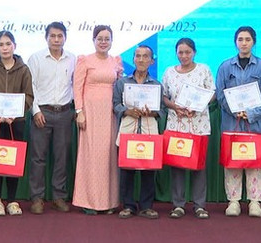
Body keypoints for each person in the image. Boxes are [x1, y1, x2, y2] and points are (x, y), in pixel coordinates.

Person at [215, 26, 261, 218]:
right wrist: (235, 110)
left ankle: (255, 202)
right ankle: (233, 202)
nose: (244, 43)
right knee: (233, 163)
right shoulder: (225, 66)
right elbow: (220, 93)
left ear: (253, 42)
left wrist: (250, 112)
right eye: (240, 39)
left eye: (247, 39)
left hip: (255, 124)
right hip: (232, 124)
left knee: (255, 163)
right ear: (235, 42)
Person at [0, 31, 34, 216]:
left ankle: (11, 200)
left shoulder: (24, 69)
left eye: (8, 44)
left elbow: (29, 96)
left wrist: (15, 114)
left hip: (16, 122)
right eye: (1, 44)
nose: (5, 48)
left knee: (13, 162)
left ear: (14, 46)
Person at [161, 37, 214, 219]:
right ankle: (178, 205)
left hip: (199, 125)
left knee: (199, 166)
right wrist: (174, 106)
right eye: (180, 52)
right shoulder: (169, 72)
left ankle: (199, 205)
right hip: (177, 125)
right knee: (178, 165)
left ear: (194, 53)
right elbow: (164, 97)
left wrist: (197, 106)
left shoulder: (204, 70)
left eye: (187, 52)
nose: (184, 56)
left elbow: (212, 94)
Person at [72, 25, 123, 214]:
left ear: (111, 41)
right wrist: (80, 111)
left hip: (110, 114)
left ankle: (108, 202)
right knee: (90, 156)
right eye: (100, 38)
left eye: (107, 39)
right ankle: (88, 201)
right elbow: (77, 88)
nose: (103, 42)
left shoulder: (115, 61)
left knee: (108, 156)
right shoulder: (85, 60)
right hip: (90, 113)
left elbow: (120, 86)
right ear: (93, 40)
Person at [27, 22, 76, 214]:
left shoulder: (73, 59)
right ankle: (37, 198)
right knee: (38, 158)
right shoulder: (36, 58)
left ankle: (58, 197)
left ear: (65, 38)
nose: (56, 40)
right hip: (42, 113)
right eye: (52, 36)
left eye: (60, 36)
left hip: (65, 113)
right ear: (46, 37)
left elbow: (75, 85)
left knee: (61, 158)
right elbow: (31, 86)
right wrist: (36, 110)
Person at [113, 45, 163, 219]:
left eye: (145, 57)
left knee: (149, 170)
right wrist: (127, 111)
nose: (141, 60)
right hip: (128, 129)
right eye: (138, 56)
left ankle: (146, 206)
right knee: (127, 170)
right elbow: (115, 105)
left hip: (149, 129)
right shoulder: (122, 83)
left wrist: (153, 112)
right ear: (133, 59)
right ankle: (127, 205)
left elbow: (162, 110)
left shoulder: (156, 84)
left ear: (152, 61)